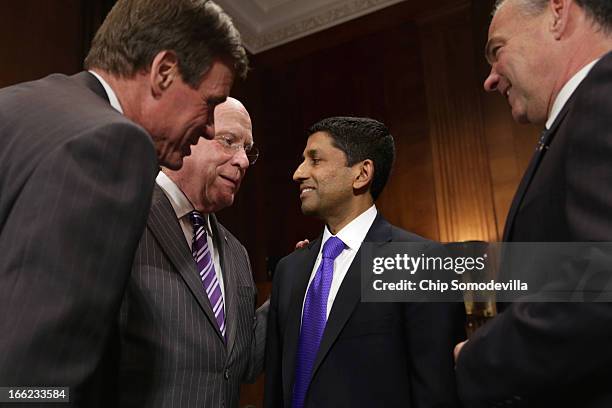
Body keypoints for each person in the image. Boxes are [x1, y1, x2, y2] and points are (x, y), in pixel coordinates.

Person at [0, 1, 247, 405]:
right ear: (163, 71)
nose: (207, 126)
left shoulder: (17, 104)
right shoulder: (114, 143)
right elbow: (33, 376)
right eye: (209, 103)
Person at [454, 0, 612, 407]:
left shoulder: (603, 91)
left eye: (497, 50)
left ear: (558, 14)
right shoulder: (573, 121)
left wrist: (477, 357)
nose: (490, 79)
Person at [264, 116, 465, 408]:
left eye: (315, 160)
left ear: (362, 173)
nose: (298, 173)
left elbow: (437, 392)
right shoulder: (289, 270)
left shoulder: (420, 262)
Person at [117, 98, 267, 408]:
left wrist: (297, 284)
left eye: (247, 150)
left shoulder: (236, 253)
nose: (242, 161)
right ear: (189, 136)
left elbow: (241, 362)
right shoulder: (122, 217)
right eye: (229, 142)